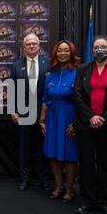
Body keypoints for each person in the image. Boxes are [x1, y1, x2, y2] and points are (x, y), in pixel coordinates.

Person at [73, 35, 107, 214]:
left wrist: (102, 117)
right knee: (86, 164)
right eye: (96, 47)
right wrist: (90, 117)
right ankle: (87, 200)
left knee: (105, 164)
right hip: (86, 124)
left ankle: (104, 202)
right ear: (91, 50)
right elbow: (77, 95)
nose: (99, 50)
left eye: (103, 47)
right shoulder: (82, 70)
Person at [39, 40, 80, 203]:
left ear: (71, 53)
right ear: (56, 54)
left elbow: (81, 101)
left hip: (70, 118)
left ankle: (70, 190)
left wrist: (76, 123)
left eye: (66, 51)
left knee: (70, 155)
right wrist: (41, 120)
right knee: (53, 153)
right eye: (59, 51)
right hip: (52, 118)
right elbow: (45, 99)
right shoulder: (51, 75)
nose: (62, 53)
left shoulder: (78, 73)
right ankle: (58, 186)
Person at [10, 33, 51, 193]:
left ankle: (45, 179)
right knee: (24, 147)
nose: (32, 46)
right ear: (24, 47)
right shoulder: (16, 65)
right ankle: (25, 178)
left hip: (44, 114)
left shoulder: (48, 64)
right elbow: (11, 90)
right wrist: (13, 111)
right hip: (23, 113)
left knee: (43, 147)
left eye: (34, 43)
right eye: (28, 44)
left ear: (39, 46)